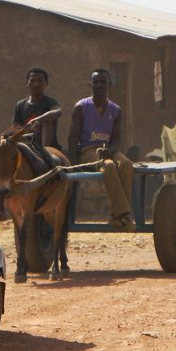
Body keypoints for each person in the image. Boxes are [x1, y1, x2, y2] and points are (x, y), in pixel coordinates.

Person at [66, 68, 135, 231]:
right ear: (90, 84)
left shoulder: (116, 110)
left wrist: (111, 150)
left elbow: (117, 138)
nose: (99, 85)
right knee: (109, 166)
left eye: (102, 82)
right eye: (95, 82)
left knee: (126, 165)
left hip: (108, 150)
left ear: (109, 84)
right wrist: (73, 162)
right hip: (88, 151)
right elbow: (72, 137)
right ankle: (124, 215)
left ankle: (116, 216)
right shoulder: (81, 107)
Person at [13, 66, 62, 167]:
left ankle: (48, 158)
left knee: (47, 121)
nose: (36, 84)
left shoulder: (50, 102)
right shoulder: (21, 105)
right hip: (26, 145)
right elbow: (16, 128)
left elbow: (57, 112)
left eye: (40, 81)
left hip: (49, 147)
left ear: (46, 83)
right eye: (33, 80)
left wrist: (37, 119)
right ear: (27, 83)